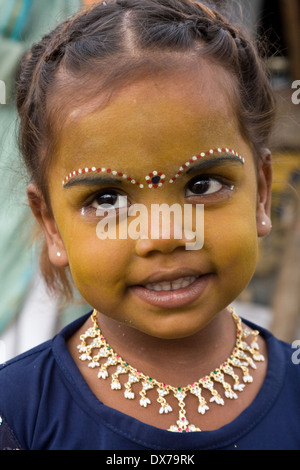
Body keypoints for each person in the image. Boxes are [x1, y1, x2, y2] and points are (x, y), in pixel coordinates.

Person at [0, 0, 299, 451]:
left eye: (202, 185)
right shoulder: (18, 410)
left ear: (260, 191)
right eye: (107, 199)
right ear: (51, 224)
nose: (163, 235)